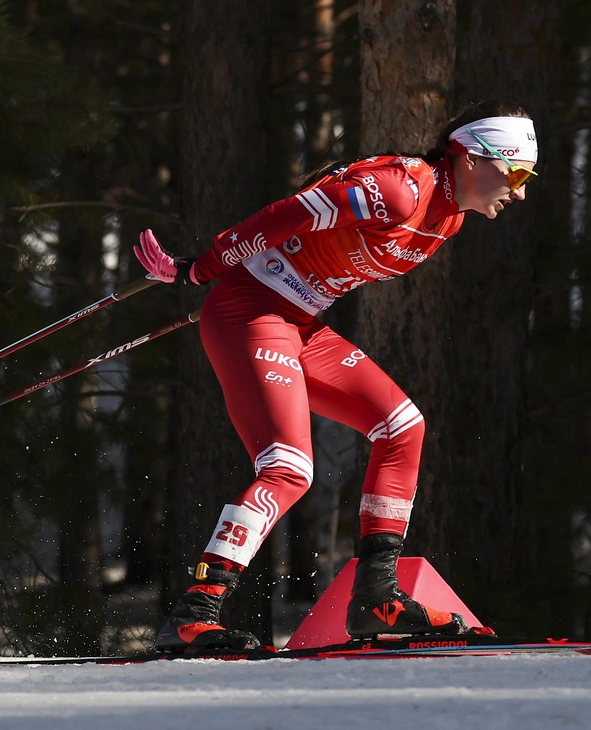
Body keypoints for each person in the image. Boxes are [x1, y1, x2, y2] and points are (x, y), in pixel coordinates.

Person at [134, 100, 539, 653]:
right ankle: (193, 613)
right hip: (250, 312)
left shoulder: (449, 216)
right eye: (515, 173)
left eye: (526, 178)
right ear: (470, 157)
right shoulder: (402, 190)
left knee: (403, 427)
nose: (519, 191)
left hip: (297, 322)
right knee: (289, 468)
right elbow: (287, 214)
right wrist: (206, 265)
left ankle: (377, 598)